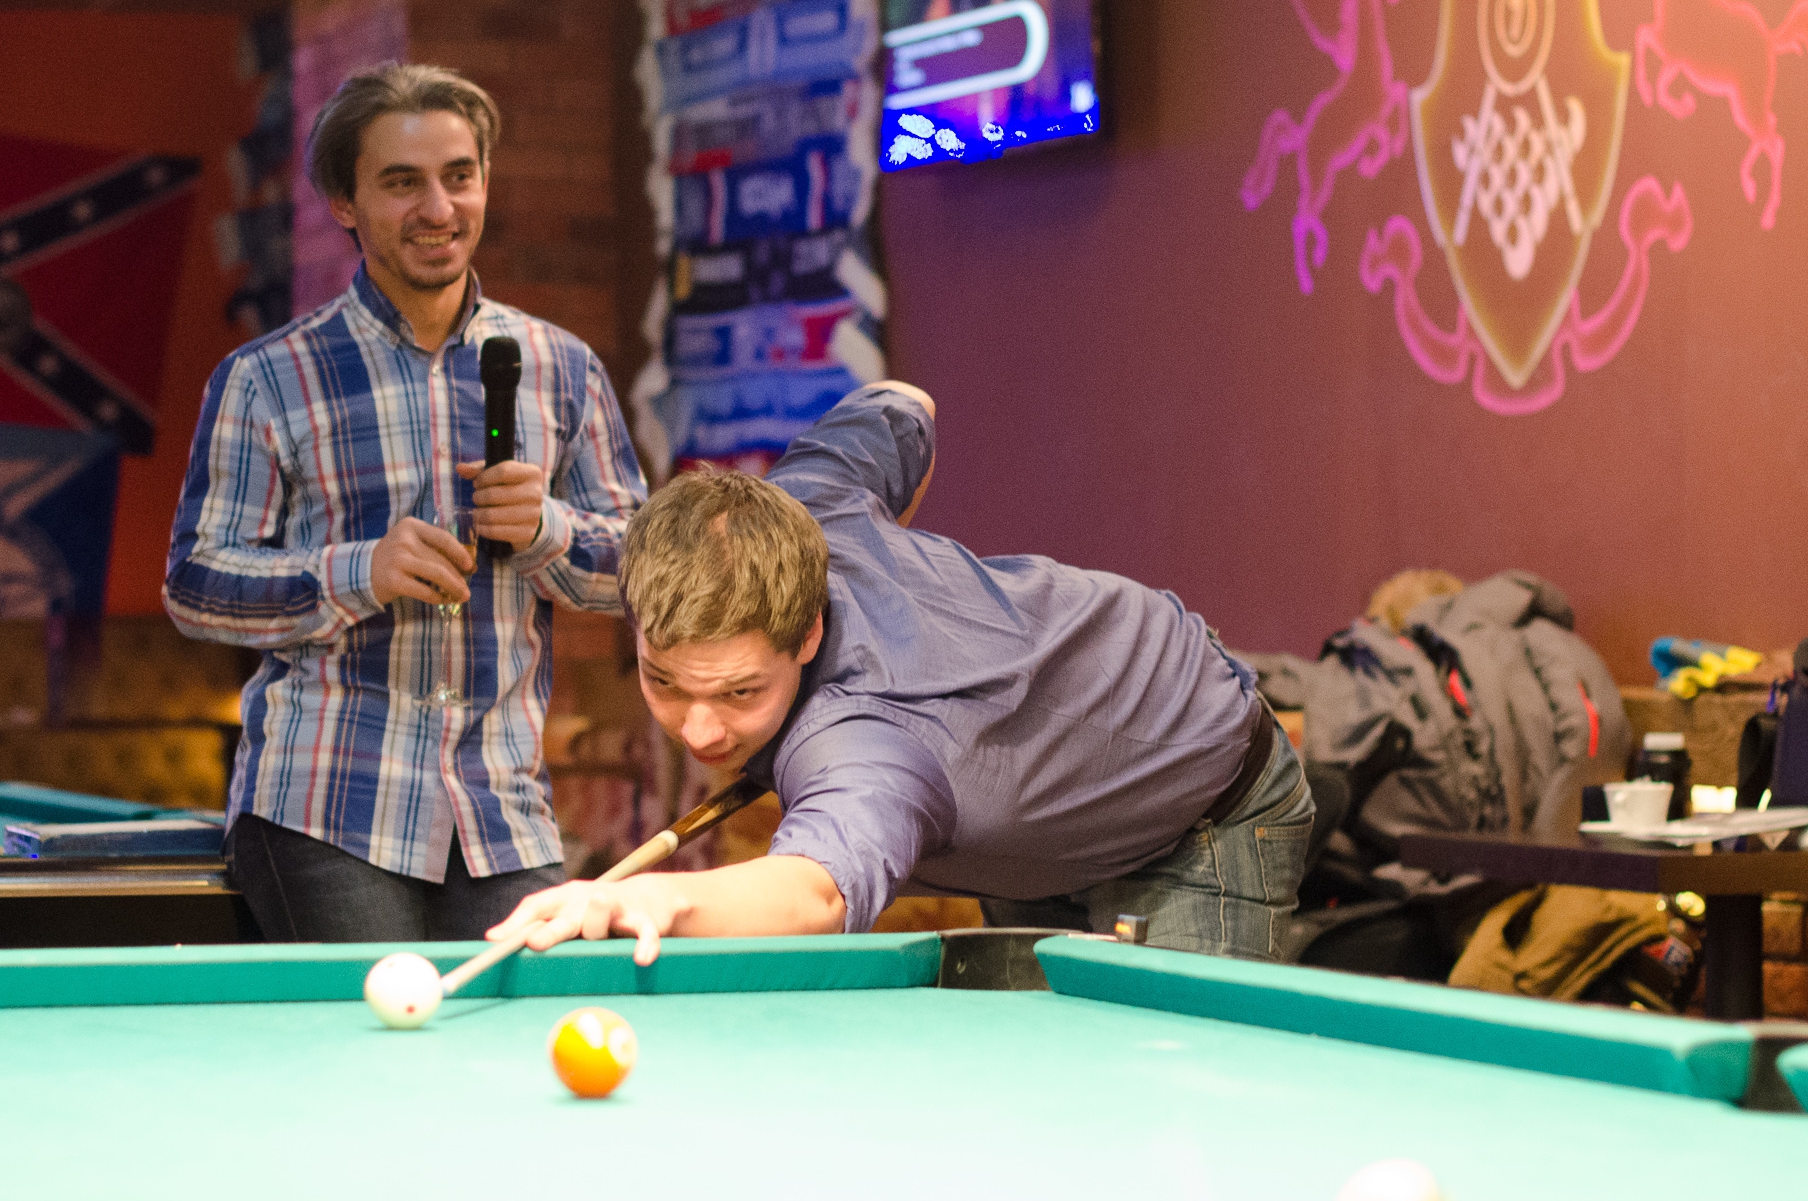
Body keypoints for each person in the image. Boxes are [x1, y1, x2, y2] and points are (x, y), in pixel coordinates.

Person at [486, 381, 1313, 964]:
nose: (700, 730)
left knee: (1176, 1100)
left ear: (807, 634)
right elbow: (902, 401)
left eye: (739, 692)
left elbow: (816, 895)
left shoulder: (865, 740)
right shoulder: (802, 505)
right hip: (1040, 810)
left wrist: (653, 898)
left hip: (1193, 794)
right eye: (665, 683)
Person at [165, 61, 645, 942]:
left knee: (521, 1026)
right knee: (378, 1021)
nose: (438, 207)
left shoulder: (562, 367)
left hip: (503, 816)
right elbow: (195, 586)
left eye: (459, 176)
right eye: (401, 183)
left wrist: (548, 531)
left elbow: (644, 576)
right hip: (326, 804)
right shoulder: (267, 377)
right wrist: (361, 571)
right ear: (344, 204)